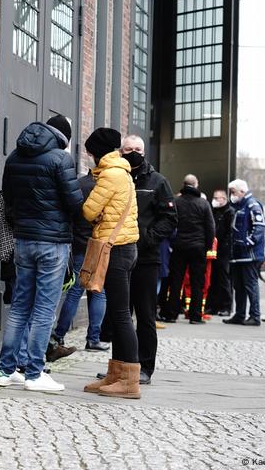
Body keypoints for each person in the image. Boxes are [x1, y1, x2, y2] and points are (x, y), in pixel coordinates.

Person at [0, 115, 84, 392]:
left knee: (20, 306)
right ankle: (34, 373)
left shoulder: (13, 158)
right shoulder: (60, 159)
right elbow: (74, 203)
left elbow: (7, 199)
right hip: (53, 243)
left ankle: (6, 370)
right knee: (44, 308)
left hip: (23, 240)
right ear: (64, 139)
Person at [81, 128, 141, 399]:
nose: (90, 158)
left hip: (114, 249)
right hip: (125, 248)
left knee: (120, 315)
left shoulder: (111, 175)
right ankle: (116, 374)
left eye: (91, 152)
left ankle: (129, 380)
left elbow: (88, 210)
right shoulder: (122, 172)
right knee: (117, 314)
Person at [118, 135, 176, 385]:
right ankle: (120, 366)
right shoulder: (116, 178)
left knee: (145, 315)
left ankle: (145, 367)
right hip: (119, 256)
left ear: (145, 152)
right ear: (121, 151)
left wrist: (146, 239)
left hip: (146, 258)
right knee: (120, 315)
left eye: (137, 149)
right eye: (128, 149)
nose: (133, 153)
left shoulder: (158, 181)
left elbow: (170, 219)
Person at [45, 162, 109, 360]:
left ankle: (59, 334)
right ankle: (93, 338)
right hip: (98, 244)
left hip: (78, 243)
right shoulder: (106, 187)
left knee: (74, 292)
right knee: (98, 291)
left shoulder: (79, 184)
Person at [162, 175, 214, 325]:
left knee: (175, 281)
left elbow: (169, 223)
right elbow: (210, 227)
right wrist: (208, 246)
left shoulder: (176, 201)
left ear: (183, 185)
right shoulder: (203, 204)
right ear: (196, 185)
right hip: (198, 248)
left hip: (179, 247)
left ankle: (171, 314)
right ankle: (195, 316)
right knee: (197, 282)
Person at [223, 179, 265, 327]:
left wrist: (248, 243)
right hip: (238, 256)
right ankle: (240, 315)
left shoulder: (252, 205)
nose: (231, 195)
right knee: (239, 286)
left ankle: (255, 316)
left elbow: (259, 227)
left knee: (250, 285)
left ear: (242, 191)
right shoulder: (239, 206)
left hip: (249, 255)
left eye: (233, 192)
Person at [206, 190, 235, 316]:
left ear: (224, 199)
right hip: (215, 250)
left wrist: (224, 247)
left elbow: (229, 233)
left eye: (218, 198)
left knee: (224, 279)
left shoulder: (229, 212)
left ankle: (226, 307)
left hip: (224, 251)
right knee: (213, 279)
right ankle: (213, 306)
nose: (216, 200)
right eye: (214, 197)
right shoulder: (214, 211)